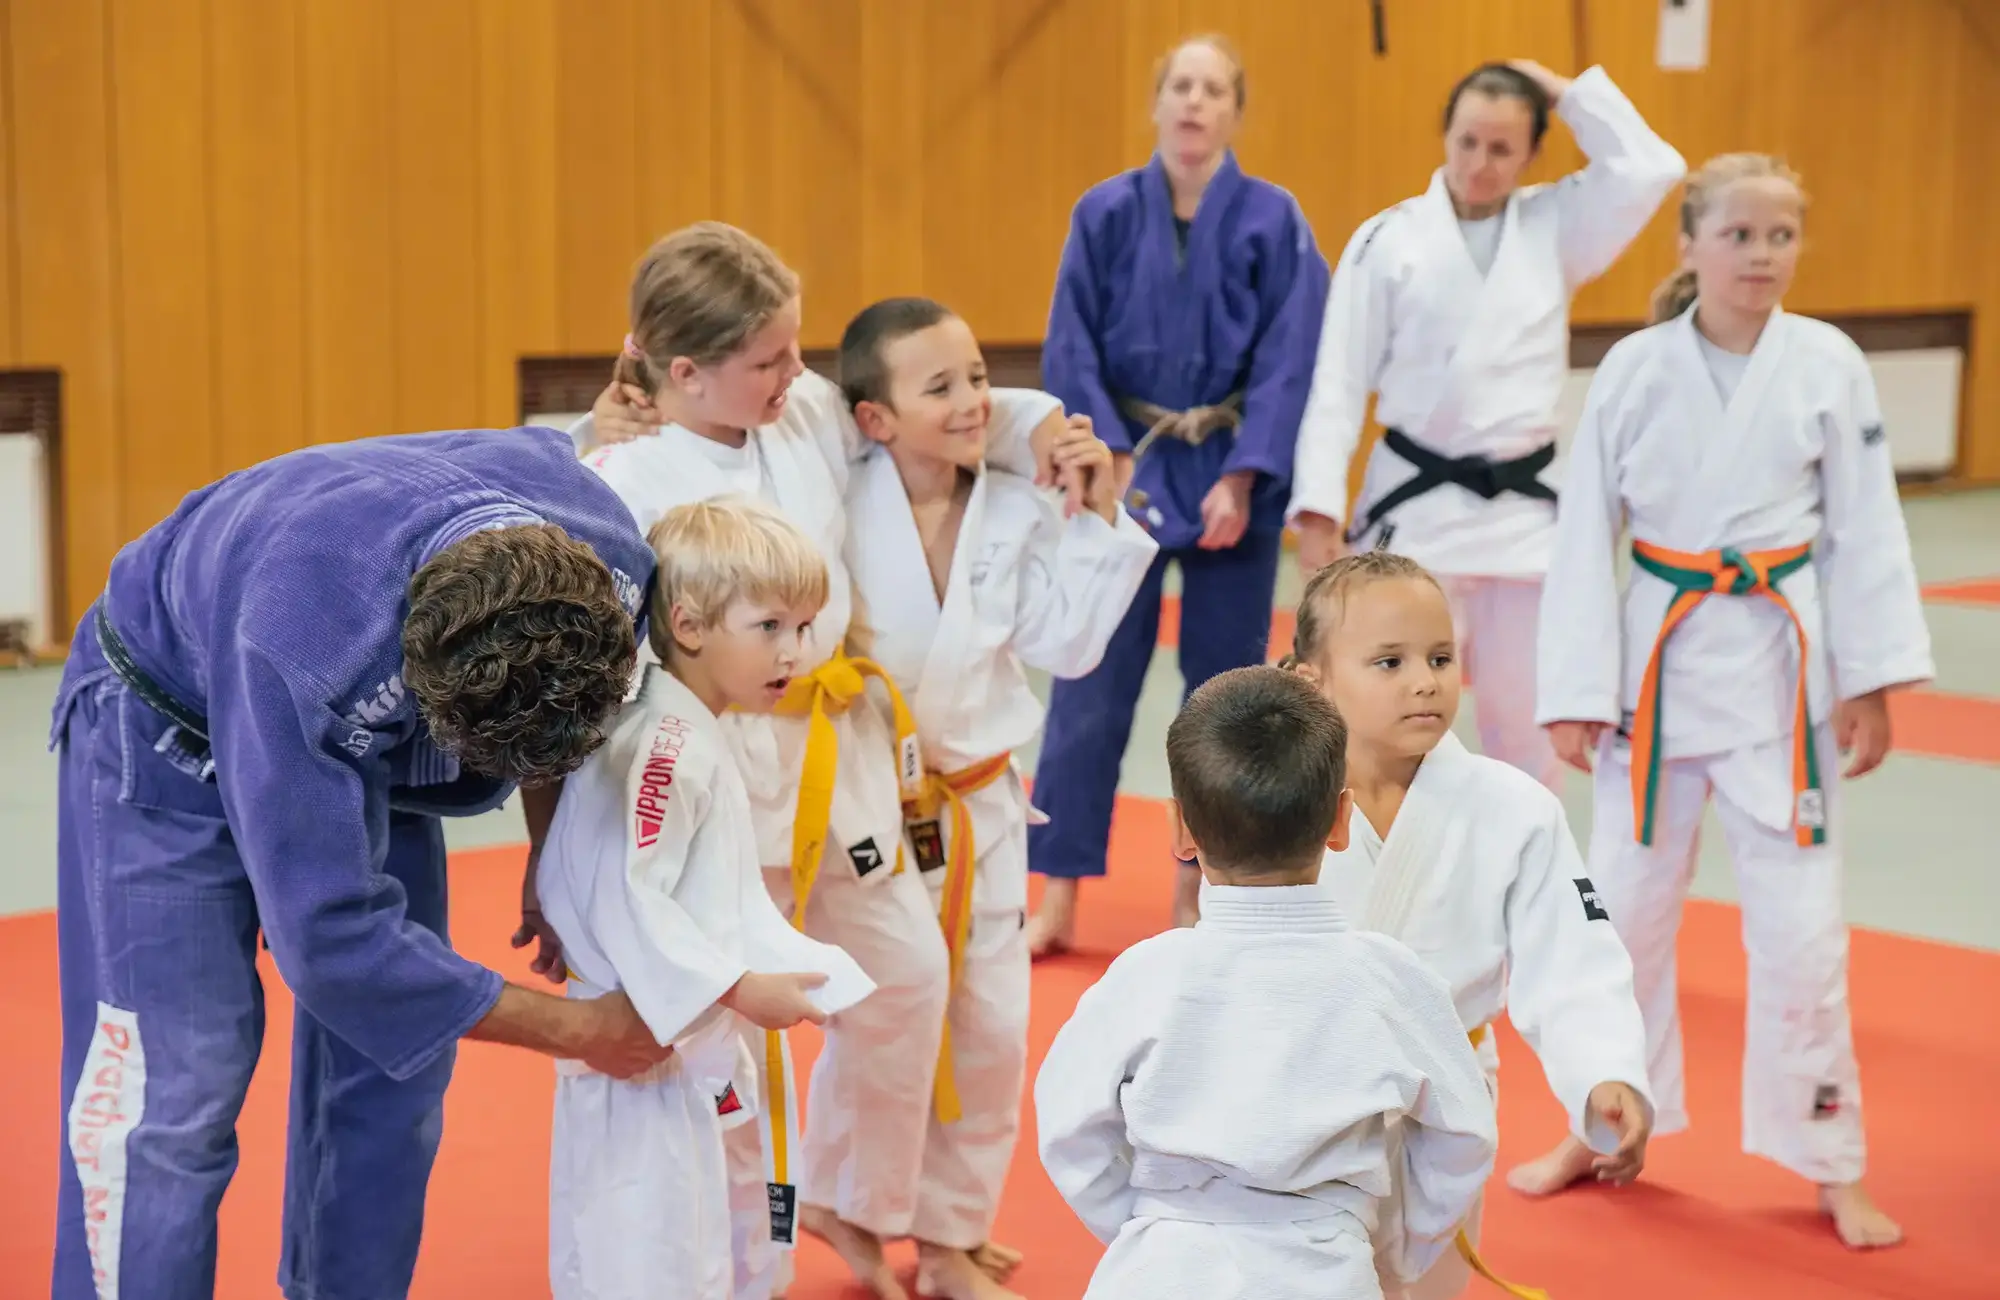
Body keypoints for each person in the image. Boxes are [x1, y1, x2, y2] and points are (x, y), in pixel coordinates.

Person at [557, 222, 1087, 1300]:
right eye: (768, 358)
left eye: (794, 349)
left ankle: (854, 1201)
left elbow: (920, 386)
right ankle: (746, 1259)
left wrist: (1032, 428)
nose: (797, 372)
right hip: (699, 772)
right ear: (683, 371)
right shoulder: (620, 476)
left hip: (834, 753)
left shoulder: (797, 411)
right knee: (732, 1039)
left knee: (904, 979)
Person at [51, 427, 676, 1300]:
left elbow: (568, 724)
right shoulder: (303, 641)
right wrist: (580, 1032)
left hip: (360, 720)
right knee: (175, 1096)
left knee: (397, 1072)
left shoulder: (614, 558)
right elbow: (335, 944)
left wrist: (549, 851)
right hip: (165, 719)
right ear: (419, 684)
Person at [1531, 154, 1932, 1250]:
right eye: (1740, 235)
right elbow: (1579, 539)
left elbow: (1863, 532)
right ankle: (1599, 1123)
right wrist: (1571, 689)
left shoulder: (1828, 364)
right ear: (1689, 245)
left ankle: (1828, 1158)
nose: (1761, 256)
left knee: (1802, 937)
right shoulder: (1631, 369)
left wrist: (1870, 683)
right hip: (1652, 678)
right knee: (1616, 920)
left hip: (1780, 679)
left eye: (1780, 236)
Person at [838, 298, 1160, 1300]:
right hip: (867, 802)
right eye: (939, 386)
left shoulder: (1015, 506)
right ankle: (849, 1204)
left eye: (979, 377)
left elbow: (1068, 647)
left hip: (979, 802)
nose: (974, 400)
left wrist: (1096, 505)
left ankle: (946, 1235)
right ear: (873, 419)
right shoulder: (833, 495)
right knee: (882, 1010)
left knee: (988, 1023)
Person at [1035, 666, 1497, 1300]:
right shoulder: (1390, 978)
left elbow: (1068, 1128)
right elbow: (1465, 1135)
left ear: (1180, 831)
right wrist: (1400, 1250)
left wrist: (1141, 1225)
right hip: (1327, 1268)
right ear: (1341, 820)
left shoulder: (1144, 975)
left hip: (1159, 1268)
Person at [1288, 59, 1684, 795]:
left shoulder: (1557, 224)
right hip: (1417, 512)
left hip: (1526, 525)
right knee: (1391, 726)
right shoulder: (1388, 240)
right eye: (1467, 141)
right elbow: (1337, 383)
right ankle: (1388, 892)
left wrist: (1567, 94)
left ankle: (1516, 899)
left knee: (1529, 735)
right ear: (1445, 135)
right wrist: (1318, 509)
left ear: (1532, 154)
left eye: (1502, 149)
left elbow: (1654, 167)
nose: (1479, 163)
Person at [1269, 551, 1653, 1300]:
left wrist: (1604, 1070)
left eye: (1440, 657)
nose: (1425, 681)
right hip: (1300, 1092)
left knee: (1426, 1283)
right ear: (1312, 680)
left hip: (1440, 1098)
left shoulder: (1513, 808)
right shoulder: (1276, 801)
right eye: (1390, 661)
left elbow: (1574, 961)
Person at [1025, 32, 1331, 952]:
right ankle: (1060, 892)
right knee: (1089, 685)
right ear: (1157, 103)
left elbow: (1291, 355)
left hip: (1233, 460)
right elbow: (1070, 339)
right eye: (1181, 87)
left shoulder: (1274, 219)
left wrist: (1245, 473)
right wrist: (1107, 458)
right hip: (1127, 462)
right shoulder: (1104, 213)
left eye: (1214, 90)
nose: (1195, 104)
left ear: (1236, 111)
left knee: (1225, 699)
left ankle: (1198, 892)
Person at [536, 496, 879, 1300]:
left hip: (683, 1032)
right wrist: (736, 985)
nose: (795, 651)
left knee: (712, 1233)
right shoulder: (665, 747)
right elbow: (632, 896)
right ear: (689, 625)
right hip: (647, 1044)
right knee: (651, 1250)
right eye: (770, 628)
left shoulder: (678, 726)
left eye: (804, 628)